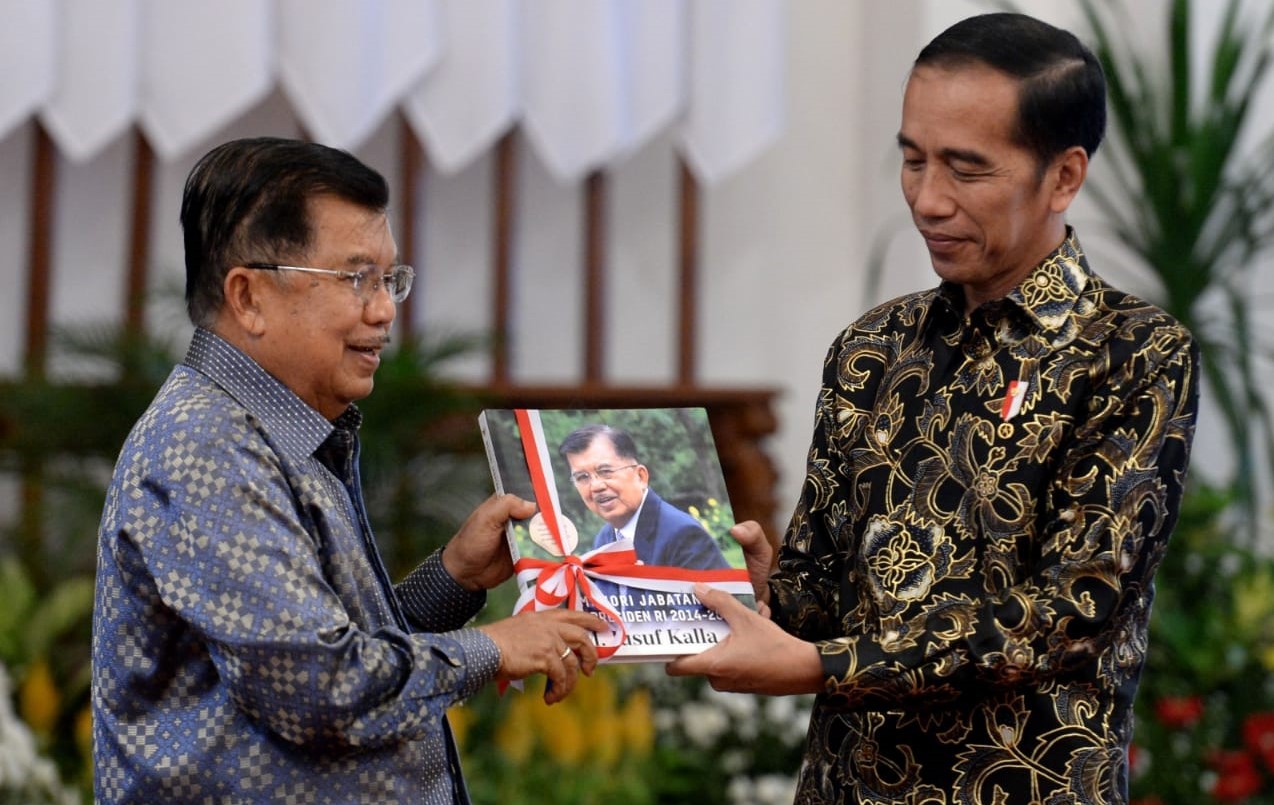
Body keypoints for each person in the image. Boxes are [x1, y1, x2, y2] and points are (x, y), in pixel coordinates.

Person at [668, 12, 1199, 804]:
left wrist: (819, 666)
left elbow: (1064, 613)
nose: (928, 199)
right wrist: (765, 594)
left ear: (1064, 175)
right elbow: (821, 600)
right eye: (912, 160)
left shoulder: (1133, 353)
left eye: (966, 168)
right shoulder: (873, 349)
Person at [91, 137, 604, 804]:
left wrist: (453, 579)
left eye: (392, 279)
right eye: (357, 278)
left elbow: (328, 648)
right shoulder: (204, 445)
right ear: (247, 297)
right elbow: (320, 689)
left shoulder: (274, 426)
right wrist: (496, 646)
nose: (385, 309)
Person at [559, 423, 729, 571]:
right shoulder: (604, 539)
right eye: (582, 477)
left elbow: (715, 606)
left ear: (640, 476)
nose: (596, 486)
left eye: (605, 472)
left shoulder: (683, 534)